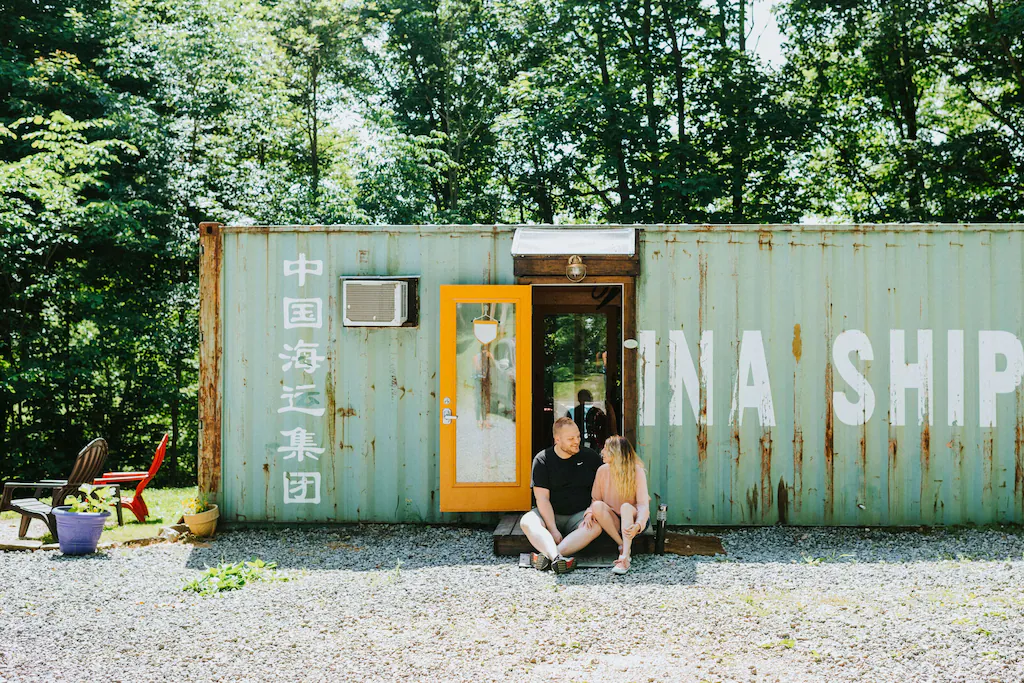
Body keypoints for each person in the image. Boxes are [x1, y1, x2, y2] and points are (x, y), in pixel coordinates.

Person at [519, 417, 603, 574]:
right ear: (557, 439)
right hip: (551, 514)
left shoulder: (590, 457)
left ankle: (552, 556)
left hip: (579, 515)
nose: (577, 441)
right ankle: (558, 558)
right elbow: (542, 498)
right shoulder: (542, 459)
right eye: (571, 438)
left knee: (596, 527)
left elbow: (602, 489)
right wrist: (552, 528)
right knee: (527, 521)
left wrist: (592, 510)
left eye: (578, 436)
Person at [584, 435, 650, 575]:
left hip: (633, 520)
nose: (602, 452)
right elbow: (595, 499)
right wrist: (590, 513)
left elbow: (643, 505)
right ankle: (621, 544)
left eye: (606, 449)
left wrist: (638, 525)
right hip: (613, 521)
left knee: (626, 507)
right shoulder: (602, 470)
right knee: (597, 506)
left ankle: (625, 557)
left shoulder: (637, 471)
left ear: (616, 453)